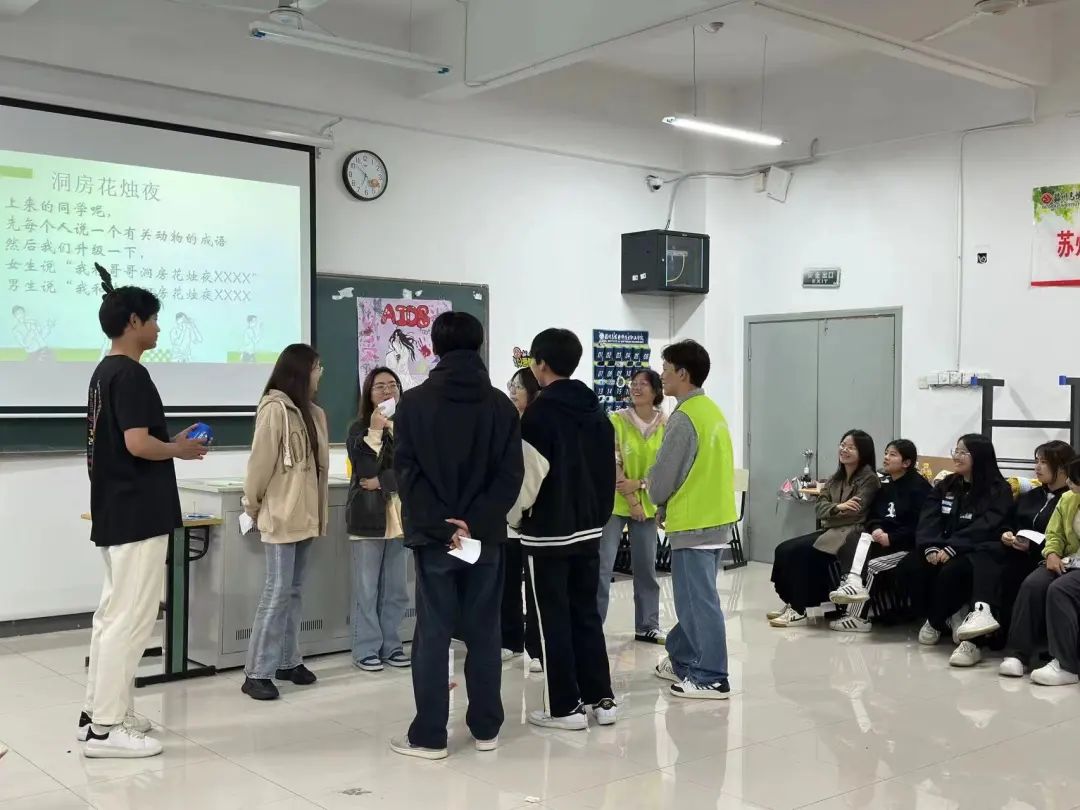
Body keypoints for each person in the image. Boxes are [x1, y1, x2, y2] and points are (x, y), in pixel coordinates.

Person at [79, 264, 208, 759]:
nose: (158, 328)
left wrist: (168, 442)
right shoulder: (131, 374)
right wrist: (178, 450)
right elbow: (136, 444)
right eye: (153, 319)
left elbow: (127, 441)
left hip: (116, 508)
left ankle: (98, 713)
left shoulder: (104, 372)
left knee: (111, 615)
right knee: (130, 619)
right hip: (138, 511)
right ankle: (106, 729)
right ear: (133, 322)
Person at [390, 312, 523, 760]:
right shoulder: (501, 406)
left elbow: (407, 474)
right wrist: (474, 523)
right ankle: (486, 728)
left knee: (433, 634)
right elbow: (510, 476)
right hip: (485, 538)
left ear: (435, 346)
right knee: (485, 631)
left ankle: (430, 735)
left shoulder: (413, 403)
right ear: (479, 345)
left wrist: (444, 525)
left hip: (434, 540)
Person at [508, 328, 617, 730]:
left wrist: (513, 518)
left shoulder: (539, 416)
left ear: (540, 364)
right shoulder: (597, 411)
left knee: (551, 618)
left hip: (548, 534)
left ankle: (564, 707)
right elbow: (608, 472)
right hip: (590, 530)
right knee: (586, 614)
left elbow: (527, 480)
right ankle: (602, 699)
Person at [648, 340, 738, 700]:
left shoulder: (684, 418)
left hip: (694, 522)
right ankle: (682, 657)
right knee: (697, 598)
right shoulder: (710, 411)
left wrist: (657, 496)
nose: (661, 375)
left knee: (697, 603)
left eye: (665, 368)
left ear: (682, 373)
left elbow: (664, 477)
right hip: (716, 519)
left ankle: (712, 676)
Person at [240, 344, 329, 701]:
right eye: (317, 367)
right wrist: (251, 505)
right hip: (280, 514)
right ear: (301, 371)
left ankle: (288, 661)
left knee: (293, 591)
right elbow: (259, 465)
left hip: (307, 516)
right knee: (276, 591)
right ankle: (256, 671)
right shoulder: (275, 409)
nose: (320, 374)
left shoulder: (315, 413)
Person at [899, 433, 1013, 667]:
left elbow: (987, 525)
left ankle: (936, 619)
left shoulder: (998, 489)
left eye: (963, 452)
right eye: (956, 451)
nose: (957, 457)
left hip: (974, 547)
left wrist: (954, 546)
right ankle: (945, 617)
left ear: (979, 456)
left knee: (953, 571)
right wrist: (930, 545)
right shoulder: (947, 484)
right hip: (940, 544)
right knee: (909, 567)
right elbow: (929, 517)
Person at [768, 430, 880, 628]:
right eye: (842, 445)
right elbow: (819, 509)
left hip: (849, 534)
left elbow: (856, 512)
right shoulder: (835, 478)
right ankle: (791, 601)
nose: (844, 450)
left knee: (801, 554)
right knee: (783, 550)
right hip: (830, 531)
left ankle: (799, 609)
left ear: (863, 452)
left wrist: (832, 511)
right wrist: (838, 508)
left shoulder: (869, 479)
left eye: (851, 447)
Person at [828, 439, 932, 632]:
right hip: (882, 539)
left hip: (905, 546)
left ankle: (858, 618)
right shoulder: (886, 486)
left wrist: (891, 538)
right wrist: (876, 528)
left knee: (873, 566)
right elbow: (874, 515)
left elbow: (921, 526)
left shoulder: (920, 488)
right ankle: (852, 583)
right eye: (885, 453)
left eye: (892, 454)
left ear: (906, 462)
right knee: (854, 539)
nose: (886, 458)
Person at [345, 367, 410, 672]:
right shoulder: (358, 429)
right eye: (379, 386)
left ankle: (391, 644)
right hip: (368, 516)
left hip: (401, 517)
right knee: (367, 588)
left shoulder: (408, 426)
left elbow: (411, 470)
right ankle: (366, 648)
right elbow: (365, 472)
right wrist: (374, 431)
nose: (387, 391)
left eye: (392, 385)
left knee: (396, 589)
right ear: (368, 395)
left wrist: (383, 482)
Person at [597, 368, 667, 644]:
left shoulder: (665, 424)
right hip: (615, 504)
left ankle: (647, 625)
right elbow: (612, 461)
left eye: (643, 384)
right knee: (602, 568)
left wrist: (639, 486)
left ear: (656, 391)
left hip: (648, 506)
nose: (636, 388)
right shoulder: (617, 420)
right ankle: (593, 625)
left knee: (646, 568)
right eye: (633, 383)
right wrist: (631, 498)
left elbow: (664, 468)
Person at [1001, 448, 1080, 682]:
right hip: (1067, 560)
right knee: (1033, 583)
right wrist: (1052, 553)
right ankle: (1017, 655)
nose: (1069, 484)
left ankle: (1066, 664)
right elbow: (1054, 533)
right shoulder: (1068, 499)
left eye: (1074, 480)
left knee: (1060, 589)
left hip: (1075, 566)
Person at [501, 367, 544, 672]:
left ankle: (536, 648)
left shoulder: (538, 424)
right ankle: (510, 640)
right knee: (507, 584)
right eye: (511, 385)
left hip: (532, 518)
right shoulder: (506, 422)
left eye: (519, 386)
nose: (513, 391)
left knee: (535, 588)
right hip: (506, 517)